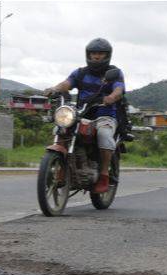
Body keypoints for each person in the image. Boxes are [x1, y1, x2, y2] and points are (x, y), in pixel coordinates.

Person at [45, 38, 125, 194]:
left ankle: (103, 174)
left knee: (104, 134)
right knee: (62, 128)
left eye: (100, 54)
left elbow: (118, 90)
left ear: (107, 55)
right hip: (82, 113)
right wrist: (54, 89)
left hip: (105, 115)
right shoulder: (80, 73)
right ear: (88, 54)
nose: (96, 56)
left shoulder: (114, 73)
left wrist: (111, 97)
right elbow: (66, 84)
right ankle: (63, 167)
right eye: (93, 53)